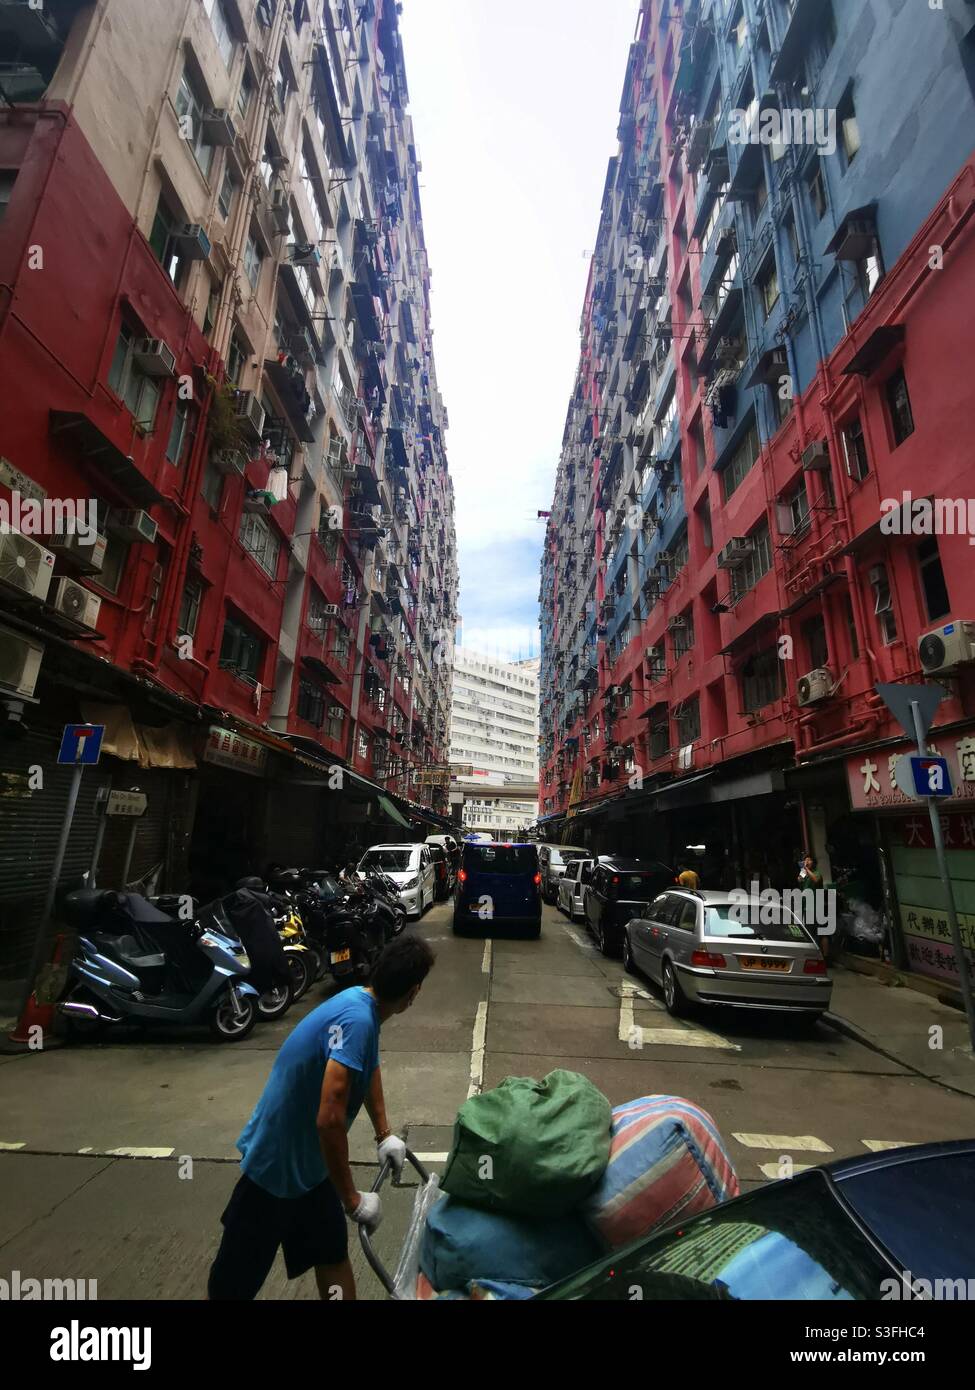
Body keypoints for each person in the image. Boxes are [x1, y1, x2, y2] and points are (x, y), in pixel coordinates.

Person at [207, 933, 436, 1301]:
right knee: (234, 1284)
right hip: (276, 1168)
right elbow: (329, 1119)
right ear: (413, 993)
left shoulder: (363, 1005)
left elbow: (368, 1067)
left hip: (312, 1171)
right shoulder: (357, 1021)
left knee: (331, 1254)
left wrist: (384, 1134)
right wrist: (352, 1200)